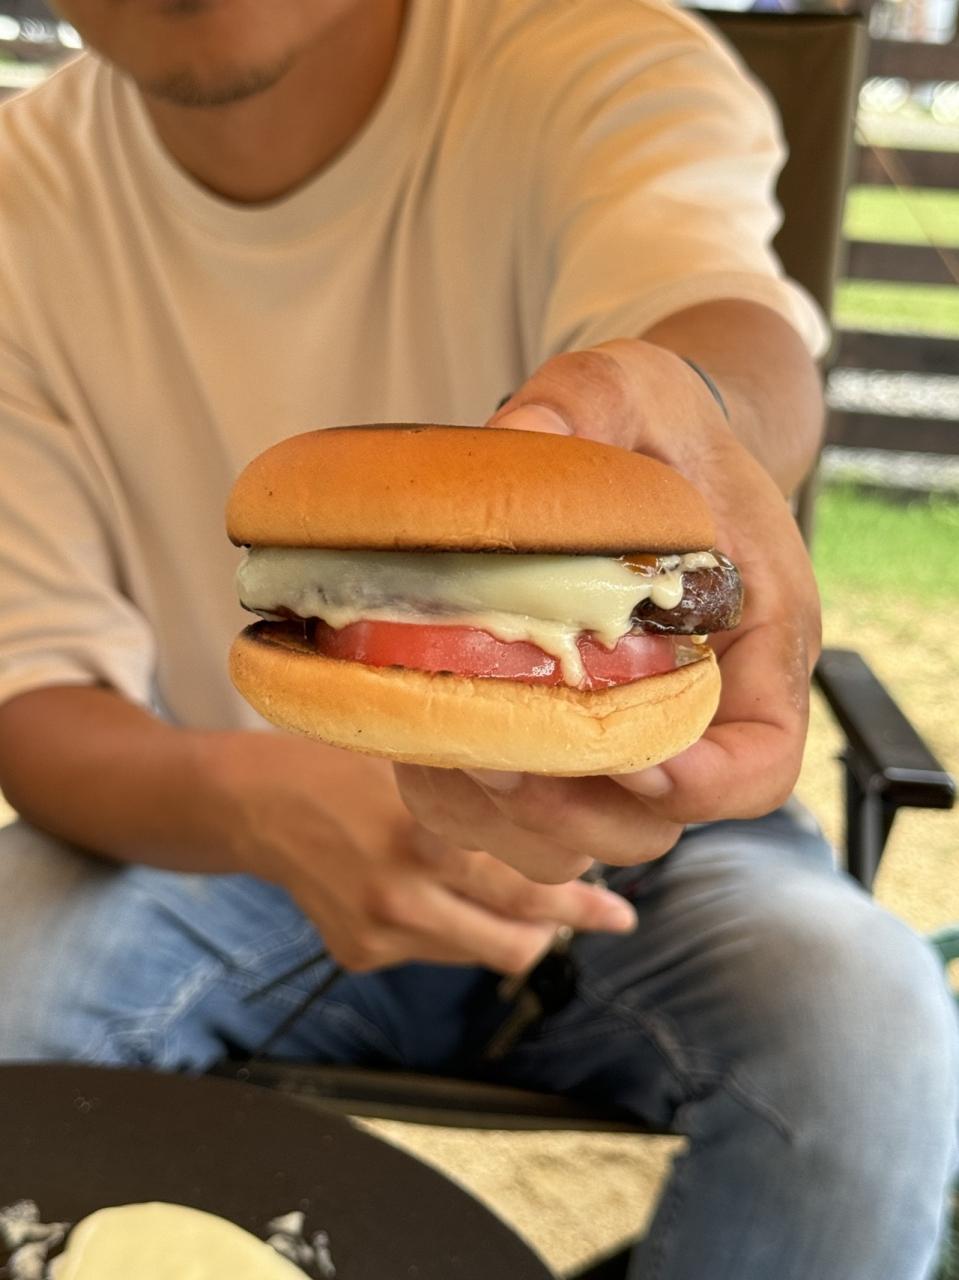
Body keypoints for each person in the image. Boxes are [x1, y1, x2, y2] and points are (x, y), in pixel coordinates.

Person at [0, 0, 955, 1275]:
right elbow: (33, 691)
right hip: (213, 824)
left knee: (864, 1022)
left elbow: (727, 322)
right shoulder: (18, 200)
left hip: (648, 843)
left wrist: (695, 407)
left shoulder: (592, 54)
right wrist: (270, 801)